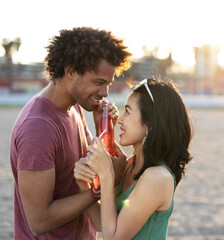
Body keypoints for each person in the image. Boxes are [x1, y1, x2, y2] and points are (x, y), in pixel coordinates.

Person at [10, 27, 132, 239]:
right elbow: (39, 221)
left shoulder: (75, 107)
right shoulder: (37, 127)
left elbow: (84, 172)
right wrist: (99, 191)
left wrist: (104, 131)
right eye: (98, 83)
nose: (105, 93)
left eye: (108, 84)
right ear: (70, 71)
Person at [74, 77, 193, 239]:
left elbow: (113, 237)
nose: (120, 120)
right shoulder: (131, 164)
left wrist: (107, 175)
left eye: (128, 111)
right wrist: (83, 184)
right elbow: (104, 224)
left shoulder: (157, 178)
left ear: (150, 123)